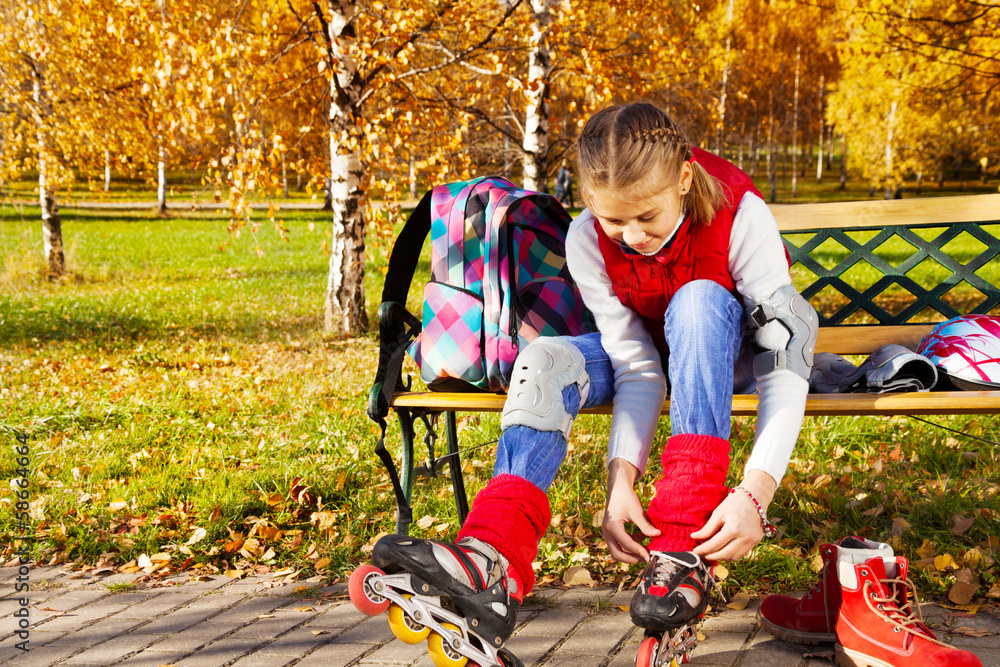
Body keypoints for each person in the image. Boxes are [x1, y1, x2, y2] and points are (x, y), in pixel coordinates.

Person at [365, 102, 818, 658]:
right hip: (654, 353)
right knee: (547, 359)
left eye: (647, 217)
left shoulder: (739, 214)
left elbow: (787, 357)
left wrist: (756, 492)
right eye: (613, 220)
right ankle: (492, 556)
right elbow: (636, 363)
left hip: (728, 352)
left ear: (682, 177)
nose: (630, 236)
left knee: (697, 301)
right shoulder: (585, 237)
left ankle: (679, 549)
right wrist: (620, 479)